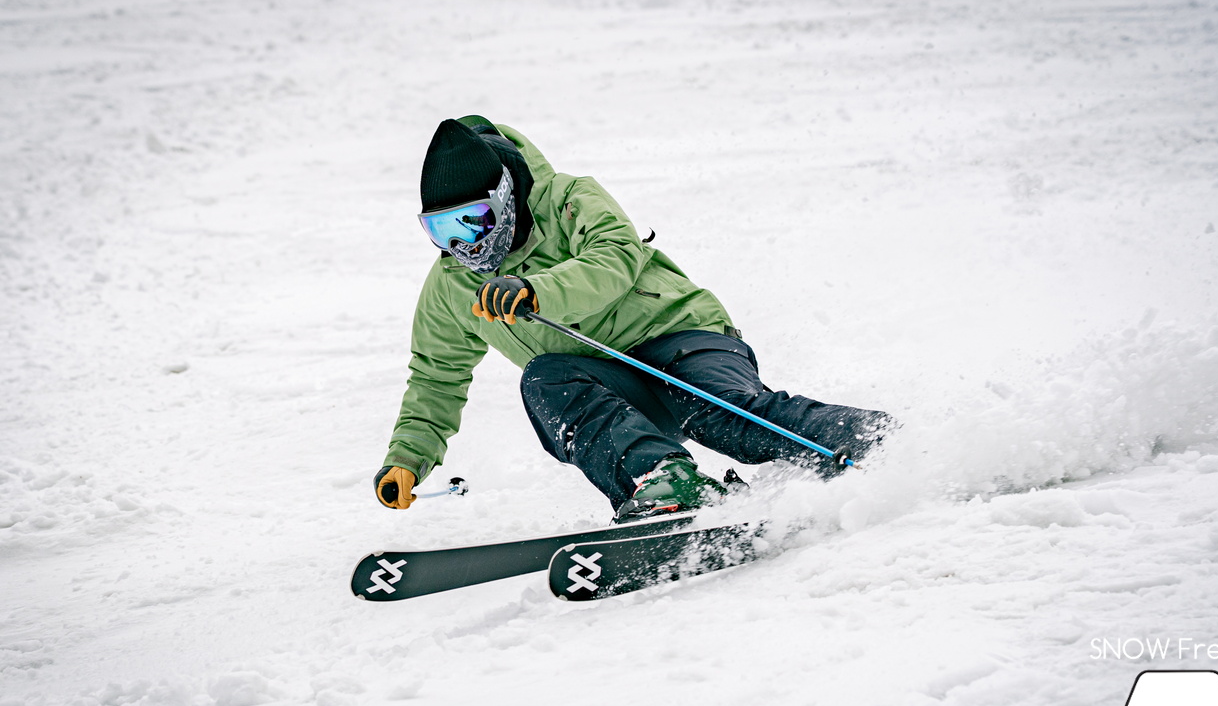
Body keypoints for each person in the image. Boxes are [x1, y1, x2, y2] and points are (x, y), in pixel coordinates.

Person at [375, 116, 893, 522]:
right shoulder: (452, 284)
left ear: (507, 197)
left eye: (474, 220)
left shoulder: (569, 199)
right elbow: (436, 375)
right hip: (613, 386)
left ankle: (872, 438)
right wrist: (409, 456)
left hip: (680, 337)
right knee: (544, 377)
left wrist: (536, 289)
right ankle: (666, 482)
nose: (463, 243)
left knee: (723, 415)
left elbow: (614, 258)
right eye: (441, 230)